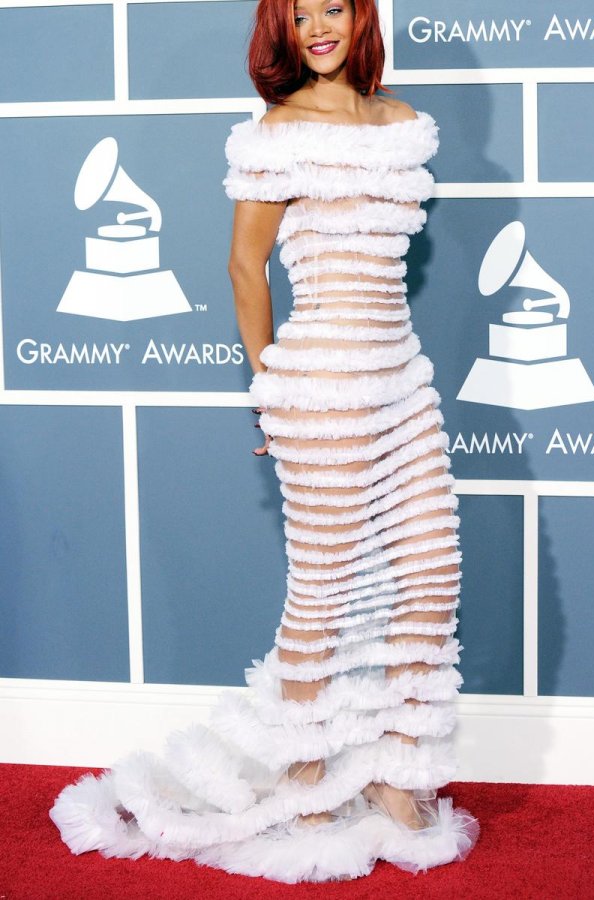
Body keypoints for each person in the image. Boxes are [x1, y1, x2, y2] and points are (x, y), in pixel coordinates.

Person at [49, 0, 480, 883]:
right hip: (319, 382)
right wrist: (270, 386)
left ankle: (397, 778)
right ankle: (307, 777)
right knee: (321, 593)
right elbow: (247, 266)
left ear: (359, 18)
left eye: (332, 7)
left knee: (430, 575)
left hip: (403, 375)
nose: (316, 26)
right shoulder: (275, 134)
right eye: (297, 13)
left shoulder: (401, 126)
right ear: (280, 30)